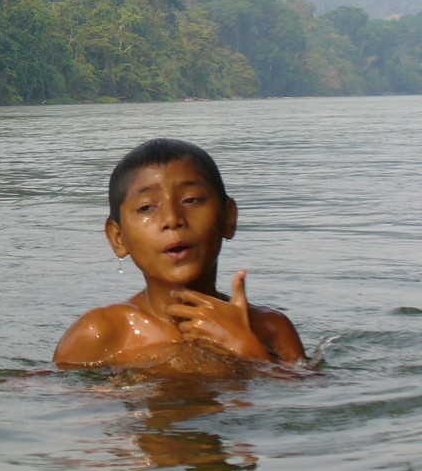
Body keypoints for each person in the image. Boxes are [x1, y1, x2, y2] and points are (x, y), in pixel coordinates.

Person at [53, 138, 305, 372]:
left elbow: (305, 402)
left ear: (228, 218)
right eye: (146, 207)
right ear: (118, 237)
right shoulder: (103, 333)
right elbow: (50, 399)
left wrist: (248, 351)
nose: (172, 219)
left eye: (191, 200)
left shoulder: (270, 328)